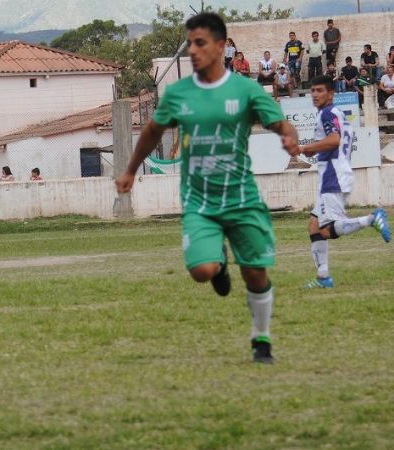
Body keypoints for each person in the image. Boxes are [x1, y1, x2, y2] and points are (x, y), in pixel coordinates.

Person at [115, 13, 299, 364]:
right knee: (202, 271)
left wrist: (289, 138)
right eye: (189, 44)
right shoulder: (179, 93)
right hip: (199, 200)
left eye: (200, 43)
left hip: (241, 197)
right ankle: (219, 264)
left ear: (221, 46)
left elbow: (281, 123)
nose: (193, 51)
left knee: (255, 272)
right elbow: (152, 132)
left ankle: (261, 339)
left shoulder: (244, 90)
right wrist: (130, 170)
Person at [298, 75, 390, 289]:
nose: (315, 94)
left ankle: (371, 219)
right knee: (314, 225)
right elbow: (336, 141)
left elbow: (334, 140)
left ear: (331, 94)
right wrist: (314, 150)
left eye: (320, 90)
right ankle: (323, 277)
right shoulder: (337, 113)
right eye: (313, 90)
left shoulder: (327, 113)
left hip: (332, 175)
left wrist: (306, 147)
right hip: (337, 171)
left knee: (326, 229)